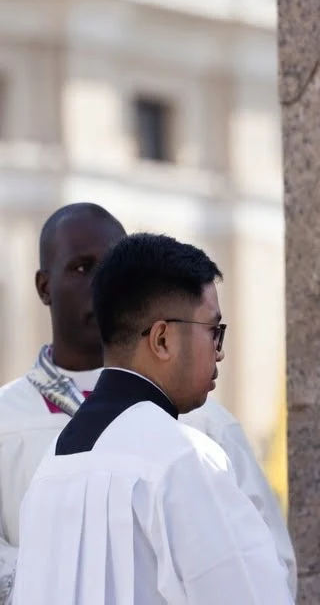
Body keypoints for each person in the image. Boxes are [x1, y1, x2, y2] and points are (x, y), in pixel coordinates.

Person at [0, 204, 295, 603]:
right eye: (213, 331)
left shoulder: (52, 467)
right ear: (160, 340)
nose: (220, 352)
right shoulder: (184, 458)